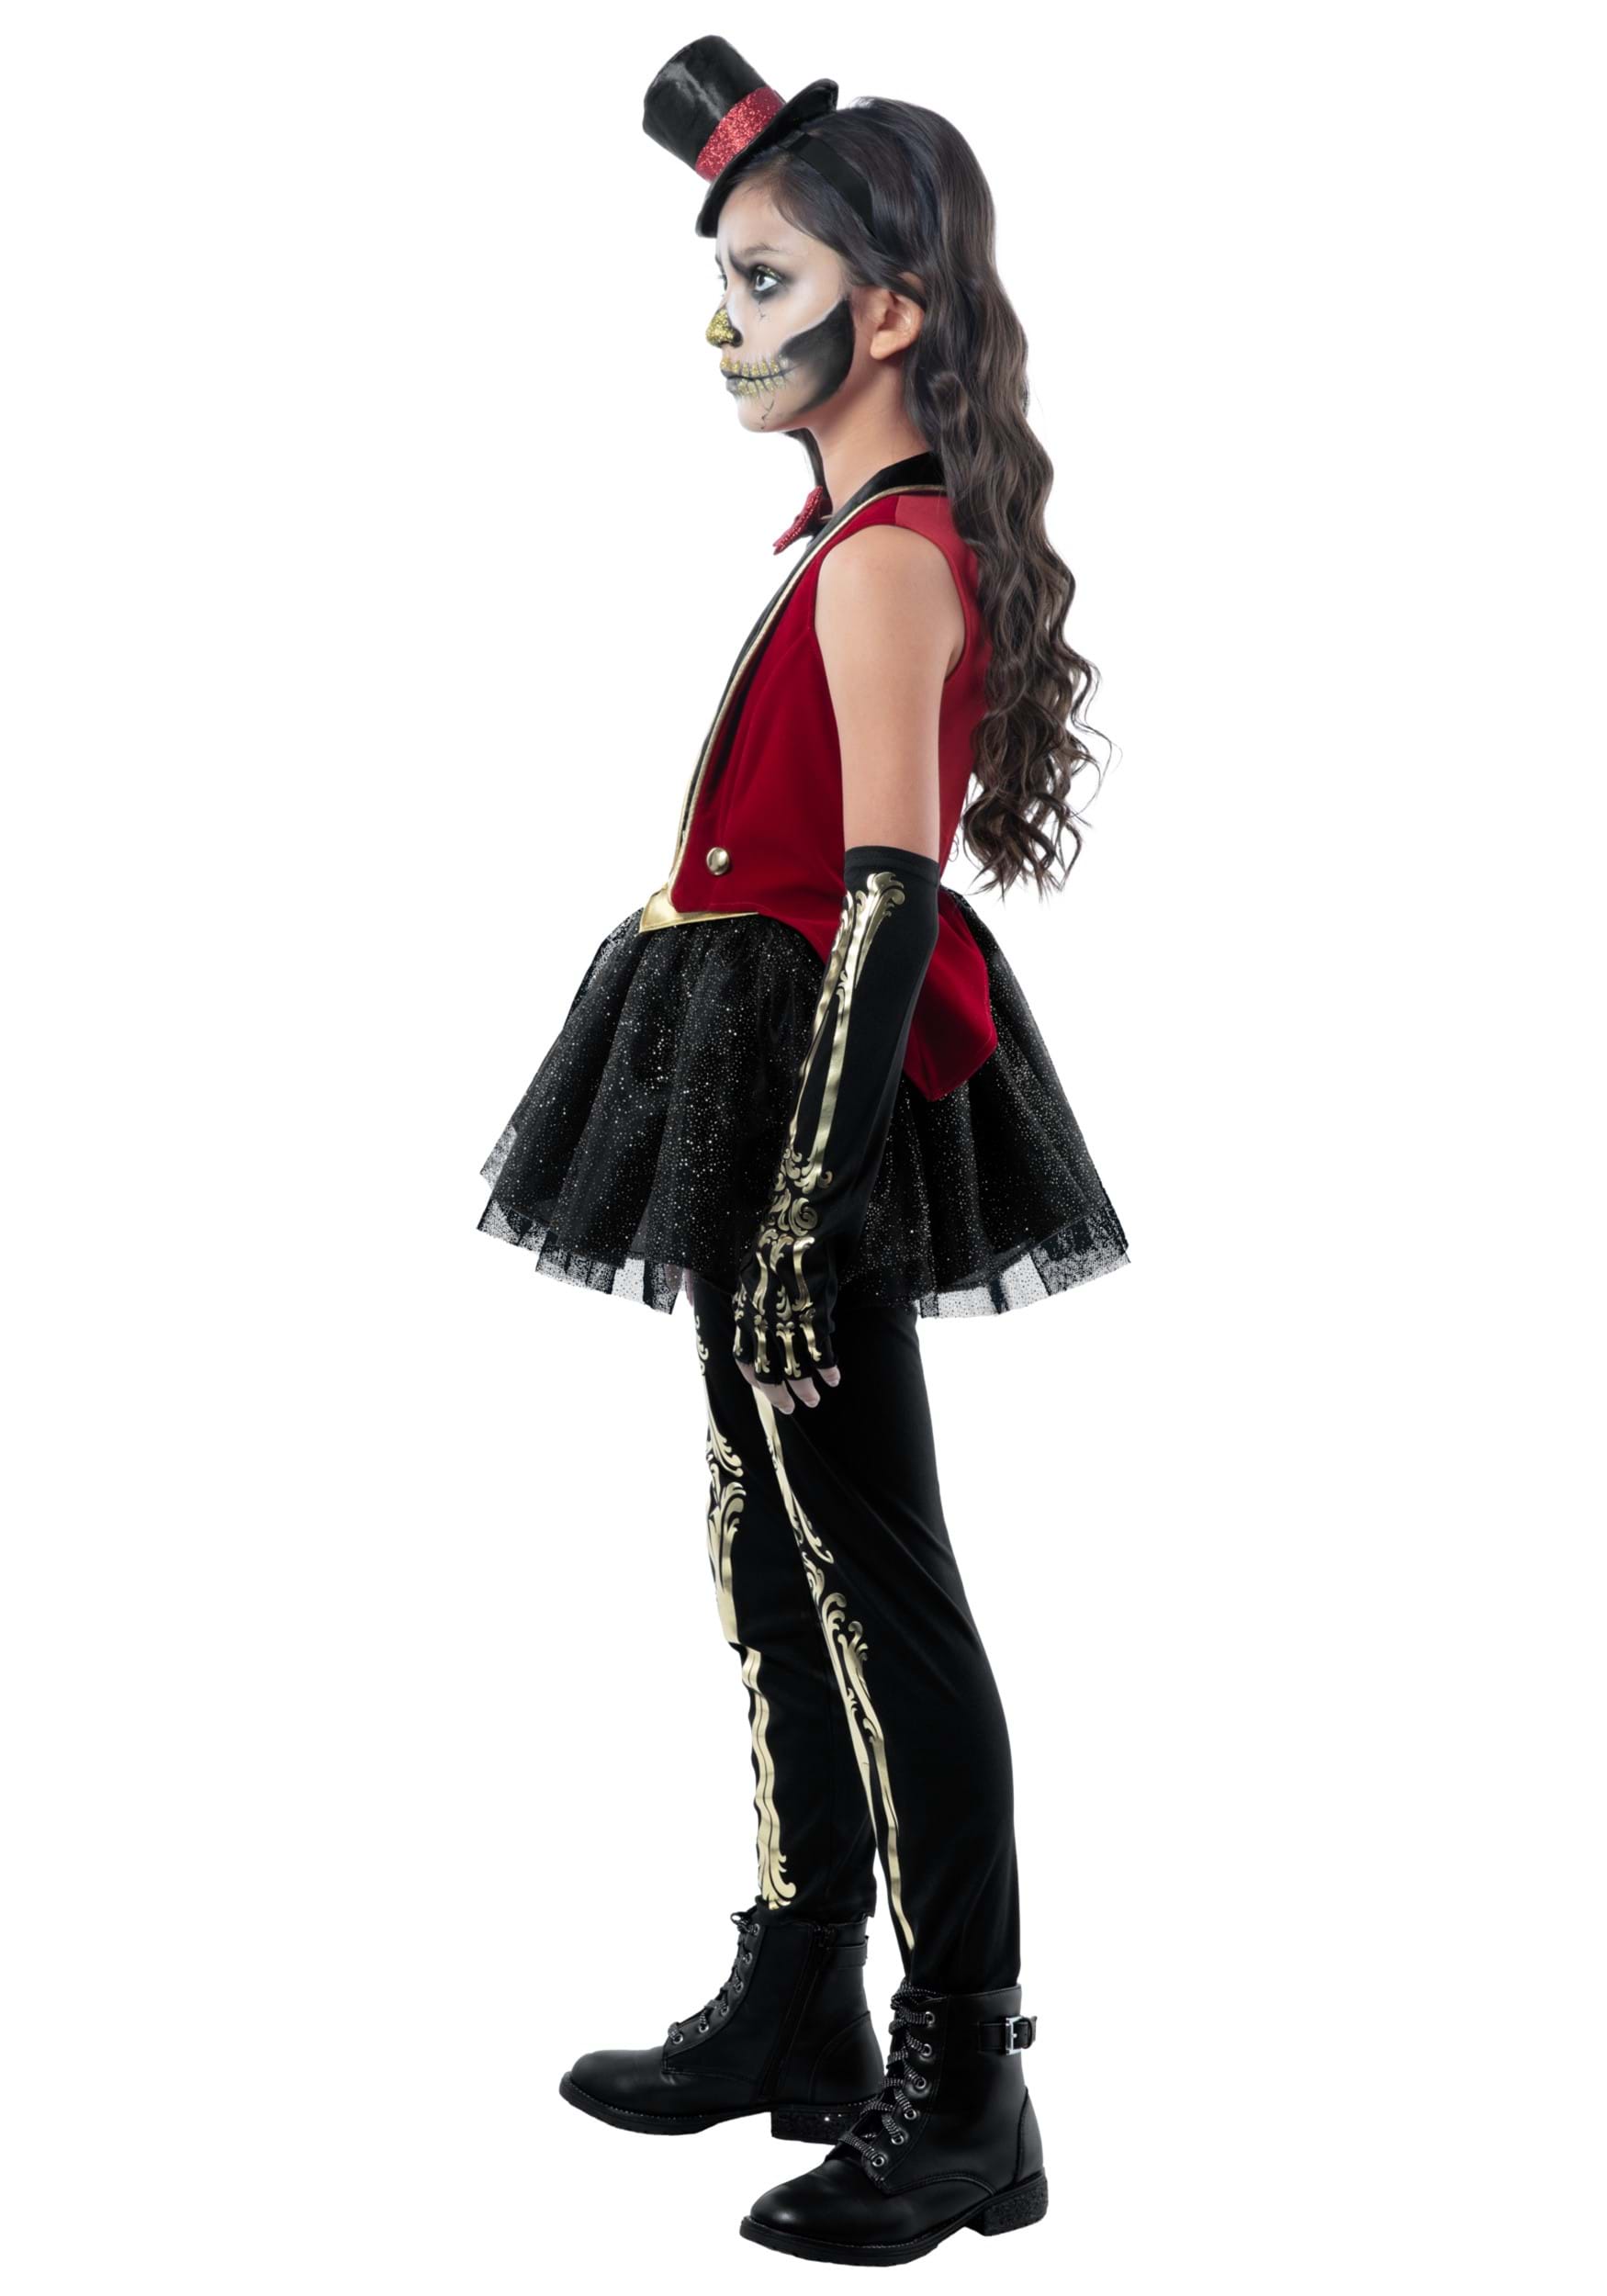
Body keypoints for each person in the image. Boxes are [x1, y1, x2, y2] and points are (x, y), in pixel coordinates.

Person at [476, 36, 1129, 2267]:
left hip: (803, 1101)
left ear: (892, 308)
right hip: (754, 1073)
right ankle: (802, 1982)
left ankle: (967, 2081)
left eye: (763, 280)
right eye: (724, 278)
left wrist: (800, 1200)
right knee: (775, 1541)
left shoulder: (885, 563)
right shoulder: (852, 541)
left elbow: (885, 894)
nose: (721, 323)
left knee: (876, 1576)